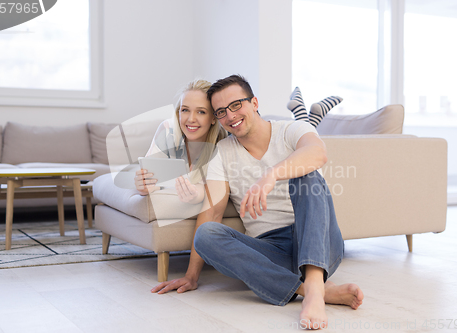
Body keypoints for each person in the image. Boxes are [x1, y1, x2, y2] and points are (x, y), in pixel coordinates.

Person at [151, 74, 364, 330]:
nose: (230, 116)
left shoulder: (291, 130)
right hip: (271, 250)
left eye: (236, 105)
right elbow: (212, 211)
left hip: (317, 240)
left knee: (308, 176)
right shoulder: (224, 152)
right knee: (205, 234)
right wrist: (191, 276)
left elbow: (317, 152)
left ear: (254, 102)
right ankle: (307, 289)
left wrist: (271, 174)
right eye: (221, 111)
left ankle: (315, 292)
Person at [134, 79, 227, 203]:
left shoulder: (223, 143)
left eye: (201, 112)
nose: (191, 119)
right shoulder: (167, 130)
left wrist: (196, 194)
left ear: (213, 118)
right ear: (178, 113)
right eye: (185, 110)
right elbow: (151, 178)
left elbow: (213, 188)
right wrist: (144, 185)